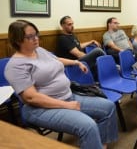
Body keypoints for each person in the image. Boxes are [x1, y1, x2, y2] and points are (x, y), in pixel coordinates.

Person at [5, 20, 118, 149]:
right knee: (88, 125)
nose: (36, 38)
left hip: (66, 96)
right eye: (30, 37)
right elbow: (31, 98)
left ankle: (100, 144)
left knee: (108, 107)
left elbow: (56, 60)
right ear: (18, 40)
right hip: (41, 109)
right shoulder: (15, 66)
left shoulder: (39, 50)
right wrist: (67, 105)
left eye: (36, 34)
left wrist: (76, 63)